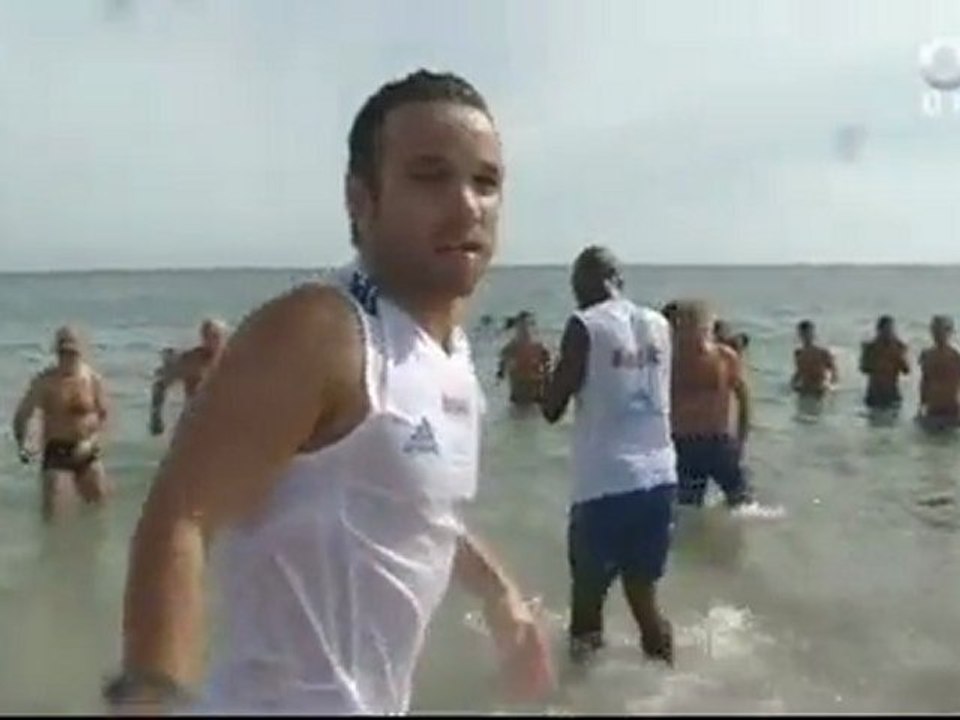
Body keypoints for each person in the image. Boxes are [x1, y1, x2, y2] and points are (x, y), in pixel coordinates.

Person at [105, 70, 552, 715]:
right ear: (361, 199)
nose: (466, 205)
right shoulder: (322, 329)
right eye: (430, 176)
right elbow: (180, 515)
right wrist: (148, 699)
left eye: (485, 182)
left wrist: (500, 594)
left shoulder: (451, 358)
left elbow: (421, 514)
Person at [541, 246, 675, 666]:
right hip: (659, 475)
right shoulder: (659, 323)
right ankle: (667, 684)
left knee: (586, 605)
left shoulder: (585, 324)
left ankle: (581, 699)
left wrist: (550, 372)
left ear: (582, 284)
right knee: (644, 600)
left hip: (605, 482)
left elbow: (551, 407)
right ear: (619, 279)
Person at [11, 326, 111, 521]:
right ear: (56, 352)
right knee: (53, 516)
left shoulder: (91, 379)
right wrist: (22, 445)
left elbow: (103, 415)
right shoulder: (45, 382)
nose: (67, 357)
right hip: (56, 449)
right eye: (63, 352)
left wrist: (92, 442)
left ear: (81, 352)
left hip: (86, 448)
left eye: (72, 352)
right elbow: (22, 415)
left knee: (99, 510)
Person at [671, 300, 752, 508]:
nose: (687, 333)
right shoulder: (667, 360)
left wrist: (741, 438)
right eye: (680, 326)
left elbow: (744, 399)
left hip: (720, 442)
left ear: (707, 328)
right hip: (683, 443)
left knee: (743, 504)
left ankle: (737, 538)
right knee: (687, 510)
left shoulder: (725, 357)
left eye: (696, 326)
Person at [149, 318, 229, 435]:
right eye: (207, 336)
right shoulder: (192, 361)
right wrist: (156, 418)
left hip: (223, 421)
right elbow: (160, 385)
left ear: (225, 337)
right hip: (194, 421)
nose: (212, 341)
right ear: (202, 338)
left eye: (216, 336)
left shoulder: (232, 360)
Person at [496, 311, 551, 407]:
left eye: (527, 326)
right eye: (522, 327)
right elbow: (502, 365)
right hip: (519, 396)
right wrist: (501, 371)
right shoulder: (511, 348)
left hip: (535, 396)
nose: (525, 330)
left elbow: (547, 366)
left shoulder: (538, 347)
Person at [917, 314, 960, 431]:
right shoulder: (926, 355)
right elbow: (924, 382)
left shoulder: (955, 356)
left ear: (949, 333)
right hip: (933, 407)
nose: (937, 334)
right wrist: (921, 405)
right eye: (935, 330)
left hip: (951, 407)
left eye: (941, 331)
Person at [859, 315, 910, 411]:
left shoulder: (899, 347)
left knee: (893, 423)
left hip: (892, 392)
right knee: (873, 422)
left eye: (891, 330)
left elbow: (906, 370)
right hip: (874, 393)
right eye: (886, 330)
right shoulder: (870, 347)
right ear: (879, 330)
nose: (889, 333)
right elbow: (863, 369)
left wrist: (898, 356)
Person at [791, 320, 837, 398]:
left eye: (808, 333)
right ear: (799, 335)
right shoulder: (798, 353)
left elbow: (834, 372)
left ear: (813, 334)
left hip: (819, 392)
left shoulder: (822, 352)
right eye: (803, 334)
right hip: (804, 391)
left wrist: (829, 388)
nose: (806, 336)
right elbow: (799, 372)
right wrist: (792, 385)